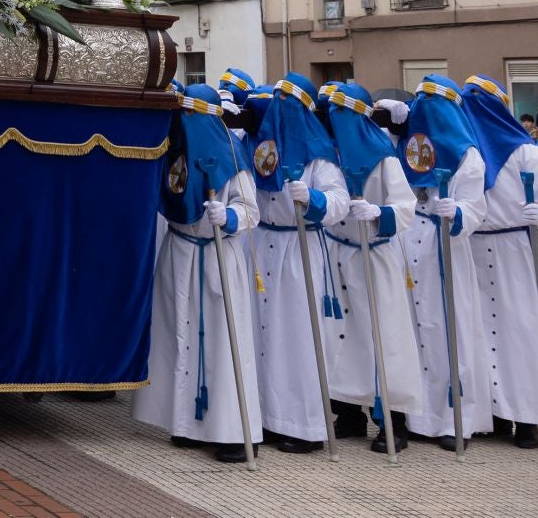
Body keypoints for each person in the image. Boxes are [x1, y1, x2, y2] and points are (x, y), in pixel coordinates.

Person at [134, 84, 260, 462]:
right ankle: (186, 423)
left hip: (216, 253)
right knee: (180, 337)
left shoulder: (231, 157)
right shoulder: (175, 150)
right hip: (181, 251)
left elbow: (251, 210)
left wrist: (231, 216)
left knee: (223, 343)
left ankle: (233, 432)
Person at [375, 75, 492, 451]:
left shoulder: (467, 155)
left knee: (448, 332)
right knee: (407, 330)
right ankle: (409, 415)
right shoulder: (405, 144)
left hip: (443, 247)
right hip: (409, 243)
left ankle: (455, 418)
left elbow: (476, 207)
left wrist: (456, 211)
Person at [460, 74, 538, 450]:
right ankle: (493, 412)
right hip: (473, 249)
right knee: (477, 334)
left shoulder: (528, 152)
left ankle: (528, 416)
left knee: (521, 335)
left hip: (515, 250)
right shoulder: (463, 151)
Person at [244, 71, 350, 453]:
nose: (281, 111)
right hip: (264, 244)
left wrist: (316, 200)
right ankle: (270, 417)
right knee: (264, 336)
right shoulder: (261, 149)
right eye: (278, 102)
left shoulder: (319, 158)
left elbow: (340, 202)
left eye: (290, 103)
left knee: (298, 337)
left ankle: (305, 426)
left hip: (299, 247)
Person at [316, 81, 420, 452]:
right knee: (342, 336)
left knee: (383, 337)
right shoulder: (328, 153)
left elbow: (406, 205)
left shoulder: (384, 157)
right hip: (338, 252)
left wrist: (380, 213)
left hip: (373, 253)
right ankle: (347, 413)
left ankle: (394, 420)